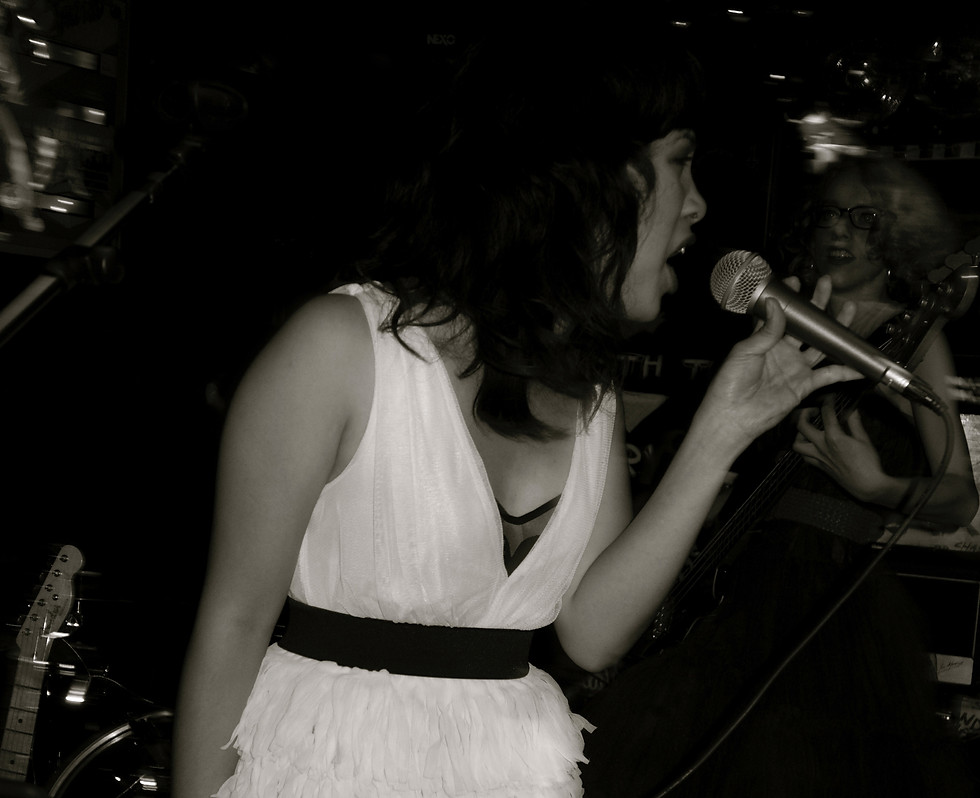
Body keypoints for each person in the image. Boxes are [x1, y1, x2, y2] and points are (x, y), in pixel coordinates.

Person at [170, 27, 863, 798]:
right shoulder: (339, 348)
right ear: (593, 179)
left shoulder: (590, 391)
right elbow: (232, 626)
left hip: (511, 768)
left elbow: (593, 636)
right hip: (325, 764)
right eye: (680, 162)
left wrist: (720, 432)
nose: (698, 205)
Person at [579, 154, 979, 797]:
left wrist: (875, 488)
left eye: (864, 217)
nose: (839, 229)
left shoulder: (914, 338)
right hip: (735, 574)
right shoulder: (774, 310)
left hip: (832, 599)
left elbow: (959, 496)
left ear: (895, 236)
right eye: (828, 214)